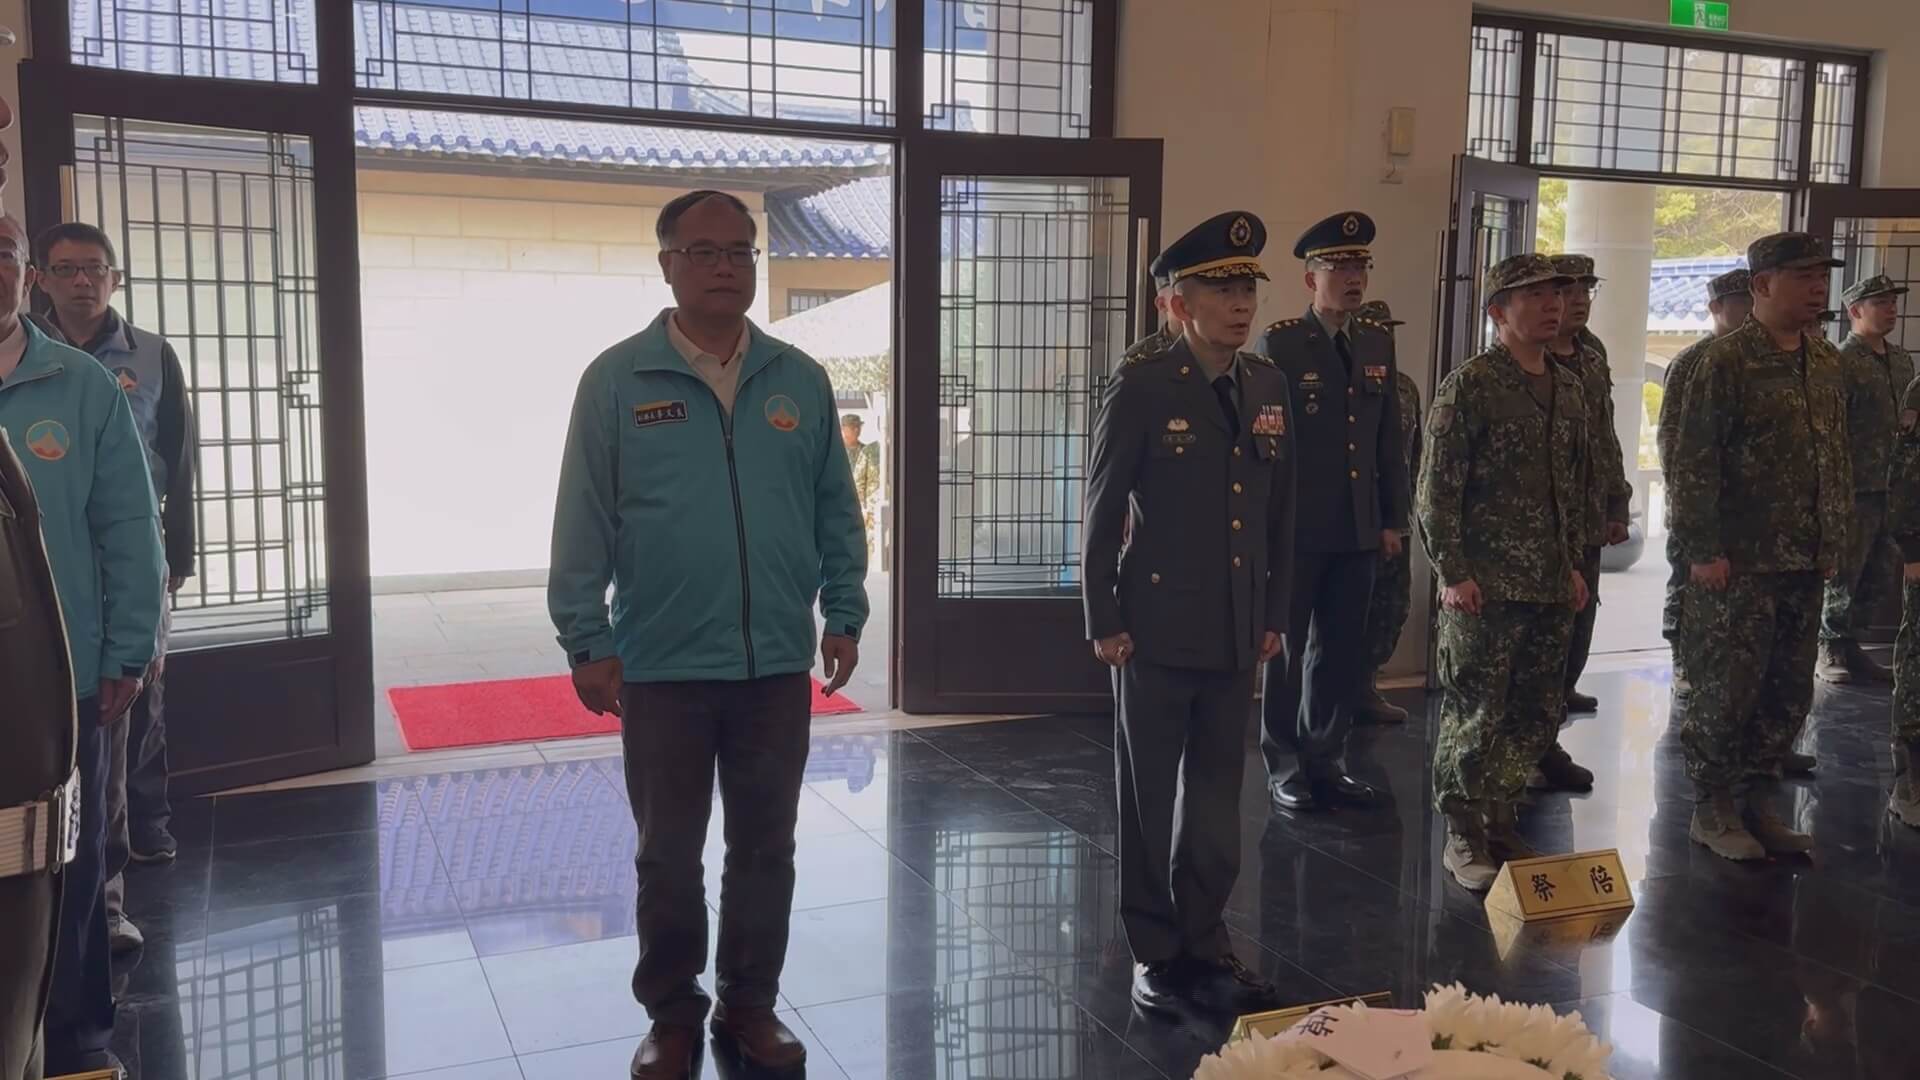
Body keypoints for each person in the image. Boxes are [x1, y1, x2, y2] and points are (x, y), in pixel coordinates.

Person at [548, 189, 868, 1079]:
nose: (726, 266)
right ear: (668, 265)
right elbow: (583, 519)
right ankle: (673, 1013)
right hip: (660, 664)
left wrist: (844, 609)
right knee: (668, 856)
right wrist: (586, 637)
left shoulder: (796, 378)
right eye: (706, 252)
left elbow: (835, 511)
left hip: (772, 665)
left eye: (741, 251)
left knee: (767, 848)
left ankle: (750, 1006)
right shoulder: (618, 381)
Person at [1083, 210, 1294, 1015]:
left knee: (1215, 797)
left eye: (1246, 287)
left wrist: (1274, 609)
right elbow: (1101, 510)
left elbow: (1280, 510)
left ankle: (1207, 940)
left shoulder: (1267, 383)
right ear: (1177, 302)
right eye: (1220, 288)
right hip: (1156, 628)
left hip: (1238, 628)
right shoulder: (1143, 385)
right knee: (1147, 797)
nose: (1240, 303)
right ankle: (1156, 951)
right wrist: (1103, 616)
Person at [0, 212, 165, 1078]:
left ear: (21, 274)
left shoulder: (82, 385)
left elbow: (130, 528)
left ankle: (73, 1040)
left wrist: (129, 652)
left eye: (2, 250)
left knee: (69, 855)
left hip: (61, 678)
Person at [31, 221, 198, 960]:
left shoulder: (153, 356)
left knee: (131, 708)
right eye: (65, 269)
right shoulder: (26, 357)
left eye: (94, 268)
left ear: (115, 278)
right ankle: (50, 887)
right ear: (39, 277)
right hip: (43, 569)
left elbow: (177, 461)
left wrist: (179, 559)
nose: (81, 282)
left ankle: (118, 877)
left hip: (134, 556)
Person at [1667, 232, 1851, 862]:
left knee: (1787, 688)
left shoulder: (1827, 361)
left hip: (1803, 556)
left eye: (1821, 278)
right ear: (1763, 285)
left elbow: (1836, 458)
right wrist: (1702, 548)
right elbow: (1694, 461)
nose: (1817, 289)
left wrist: (1833, 538)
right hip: (1739, 561)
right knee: (1728, 686)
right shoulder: (1724, 361)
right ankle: (1712, 806)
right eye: (1803, 277)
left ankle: (1759, 799)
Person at [1417, 253, 1589, 891]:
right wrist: (1453, 571)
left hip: (1548, 582)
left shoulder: (1568, 387)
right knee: (1477, 710)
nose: (1552, 305)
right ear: (1497, 313)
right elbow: (1436, 490)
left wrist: (1572, 565)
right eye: (1534, 296)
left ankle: (1499, 815)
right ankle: (1463, 831)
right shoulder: (1472, 386)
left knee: (1534, 710)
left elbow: (1570, 489)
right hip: (1484, 587)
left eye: (1556, 294)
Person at [1254, 211, 1406, 813]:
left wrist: (1390, 517)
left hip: (1358, 526)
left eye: (1360, 265)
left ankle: (1327, 758)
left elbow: (1385, 439)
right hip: (1299, 525)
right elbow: (1268, 443)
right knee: (1290, 649)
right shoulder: (1283, 343)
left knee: (1342, 648)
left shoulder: (1375, 339)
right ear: (1309, 279)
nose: (1352, 276)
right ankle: (1285, 763)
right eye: (1338, 266)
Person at [1533, 253, 1629, 789]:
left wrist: (1617, 502)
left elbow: (1606, 433)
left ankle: (1549, 738)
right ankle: (1527, 746)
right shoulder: (1529, 355)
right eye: (1568, 291)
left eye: (1588, 290)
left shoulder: (1592, 353)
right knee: (1538, 645)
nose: (1579, 300)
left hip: (1588, 518)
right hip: (1537, 528)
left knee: (1576, 632)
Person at [1817, 274, 1912, 685]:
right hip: (1855, 485)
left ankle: (1855, 645)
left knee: (1880, 571)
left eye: (1893, 302)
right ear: (1856, 311)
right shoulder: (1839, 361)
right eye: (1881, 303)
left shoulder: (1902, 360)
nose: (1891, 309)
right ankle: (1830, 647)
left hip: (1894, 486)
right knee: (1845, 572)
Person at [1353, 298, 1419, 725]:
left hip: (1396, 518)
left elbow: (1412, 456)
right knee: (1348, 612)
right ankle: (1341, 694)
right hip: (1354, 521)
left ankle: (1366, 685)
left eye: (1389, 330)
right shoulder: (1343, 382)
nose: (1385, 339)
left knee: (1392, 606)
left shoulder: (1406, 387)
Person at [841, 412, 880, 543]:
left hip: (860, 505)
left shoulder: (866, 451)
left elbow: (869, 481)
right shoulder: (837, 452)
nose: (857, 430)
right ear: (843, 429)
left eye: (858, 427)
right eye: (852, 427)